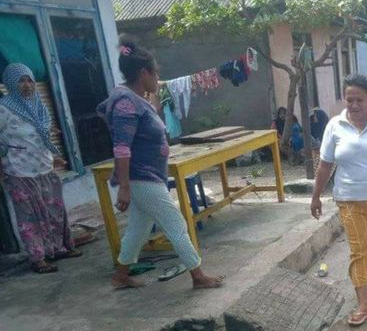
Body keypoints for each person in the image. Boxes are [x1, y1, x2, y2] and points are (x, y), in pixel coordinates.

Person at [97, 38, 224, 290]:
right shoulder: (125, 103)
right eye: (155, 74)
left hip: (147, 176)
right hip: (140, 178)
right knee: (175, 222)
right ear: (143, 72)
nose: (158, 79)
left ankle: (120, 277)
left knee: (138, 229)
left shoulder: (134, 99)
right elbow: (121, 148)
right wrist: (123, 187)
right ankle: (198, 276)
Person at [310, 74, 367, 327]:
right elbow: (325, 164)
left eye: (359, 99)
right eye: (349, 99)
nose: (353, 104)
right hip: (350, 200)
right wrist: (316, 196)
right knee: (360, 250)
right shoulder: (334, 126)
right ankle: (363, 304)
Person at [0, 63, 81, 273]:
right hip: (19, 172)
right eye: (21, 81)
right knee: (30, 218)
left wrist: (55, 157)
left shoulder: (38, 105)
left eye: (29, 80)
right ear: (10, 84)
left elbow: (43, 136)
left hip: (44, 168)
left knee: (55, 211)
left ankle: (61, 248)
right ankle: (39, 258)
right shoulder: (4, 109)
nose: (27, 85)